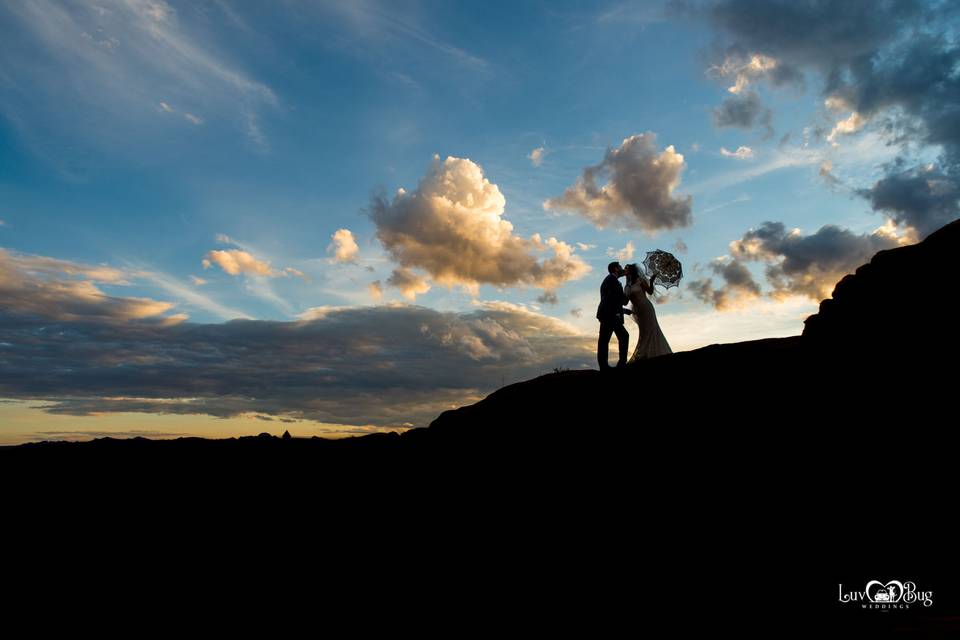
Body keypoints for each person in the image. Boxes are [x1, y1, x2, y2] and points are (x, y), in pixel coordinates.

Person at [623, 263, 672, 362]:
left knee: (651, 328)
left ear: (632, 271)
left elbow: (649, 291)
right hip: (637, 311)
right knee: (643, 331)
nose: (625, 271)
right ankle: (644, 353)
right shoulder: (627, 286)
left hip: (646, 308)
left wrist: (652, 281)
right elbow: (625, 302)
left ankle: (647, 353)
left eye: (626, 269)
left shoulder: (640, 281)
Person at [596, 261, 634, 371]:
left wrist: (624, 311)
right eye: (620, 267)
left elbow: (614, 300)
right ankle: (620, 363)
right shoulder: (612, 281)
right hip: (610, 315)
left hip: (607, 314)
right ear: (616, 269)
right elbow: (619, 301)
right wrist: (628, 288)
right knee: (622, 336)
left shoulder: (610, 280)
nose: (622, 269)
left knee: (604, 340)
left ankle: (605, 366)